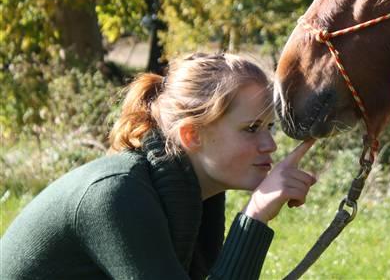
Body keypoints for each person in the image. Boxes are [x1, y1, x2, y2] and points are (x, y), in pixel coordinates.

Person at [0, 52, 317, 279]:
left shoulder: (197, 192)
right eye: (251, 129)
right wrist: (255, 216)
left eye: (269, 128)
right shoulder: (117, 194)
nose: (270, 145)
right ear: (191, 135)